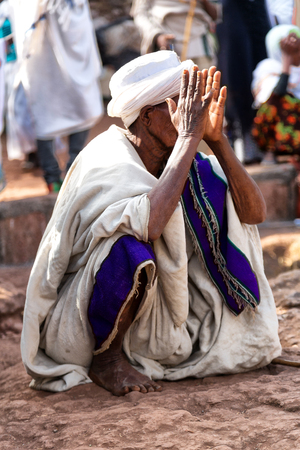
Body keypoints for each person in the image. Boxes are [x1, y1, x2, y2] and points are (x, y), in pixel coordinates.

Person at [21, 51, 281, 396]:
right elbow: (151, 224)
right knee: (128, 248)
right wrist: (189, 138)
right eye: (178, 102)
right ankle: (108, 361)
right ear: (147, 116)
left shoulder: (186, 160)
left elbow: (253, 213)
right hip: (84, 319)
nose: (193, 110)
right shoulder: (107, 159)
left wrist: (216, 141)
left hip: (163, 320)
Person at [8, 0, 104, 192]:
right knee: (45, 114)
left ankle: (72, 172)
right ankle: (52, 178)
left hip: (73, 50)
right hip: (44, 55)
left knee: (84, 106)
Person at [216, 0, 271, 164]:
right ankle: (242, 144)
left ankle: (264, 142)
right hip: (232, 17)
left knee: (263, 76)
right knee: (236, 74)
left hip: (259, 20)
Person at [252, 25, 300, 165]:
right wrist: (287, 60)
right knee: (280, 101)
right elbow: (277, 95)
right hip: (278, 135)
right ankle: (273, 151)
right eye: (293, 51)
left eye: (297, 50)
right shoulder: (268, 67)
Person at [131, 0, 221, 70]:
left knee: (204, 88)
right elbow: (140, 13)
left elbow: (216, 14)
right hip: (167, 43)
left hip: (198, 42)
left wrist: (205, 1)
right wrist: (157, 35)